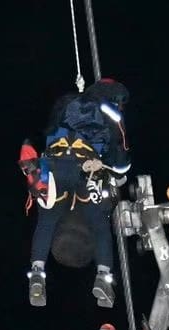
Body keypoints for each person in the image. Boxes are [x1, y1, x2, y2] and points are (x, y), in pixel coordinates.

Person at [18, 78, 131, 308]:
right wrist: (119, 174)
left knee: (47, 221)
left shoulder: (67, 101)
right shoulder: (113, 113)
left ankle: (37, 273)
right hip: (87, 167)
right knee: (99, 224)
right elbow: (119, 155)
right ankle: (103, 277)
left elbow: (49, 129)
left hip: (54, 164)